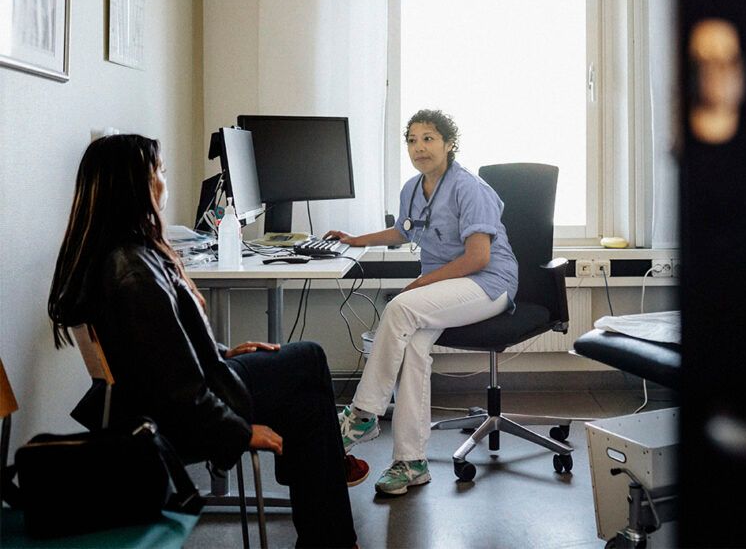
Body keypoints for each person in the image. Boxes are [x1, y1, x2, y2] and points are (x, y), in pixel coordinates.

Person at [47, 134, 360, 548]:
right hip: (173, 419)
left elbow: (160, 353)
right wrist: (239, 433)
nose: (164, 180)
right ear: (133, 185)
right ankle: (329, 525)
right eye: (158, 172)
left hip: (166, 399)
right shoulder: (133, 271)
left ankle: (326, 521)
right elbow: (177, 388)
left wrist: (224, 352)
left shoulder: (118, 255)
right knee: (309, 367)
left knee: (304, 384)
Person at [325, 109, 518, 496]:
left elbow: (478, 258)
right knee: (412, 346)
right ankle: (410, 462)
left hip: (487, 284)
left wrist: (421, 283)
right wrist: (356, 239)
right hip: (445, 289)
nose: (419, 147)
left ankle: (362, 414)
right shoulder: (413, 188)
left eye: (429, 138)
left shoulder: (469, 188)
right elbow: (403, 229)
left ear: (448, 144)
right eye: (412, 140)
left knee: (400, 307)